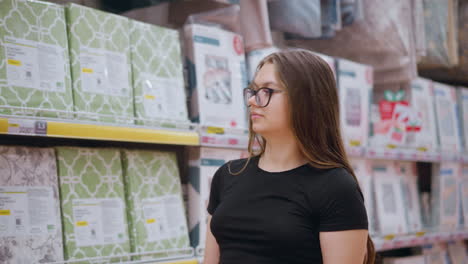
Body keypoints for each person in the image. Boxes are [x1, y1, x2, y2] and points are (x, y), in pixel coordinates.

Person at [204, 49, 375, 264]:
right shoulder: (227, 175)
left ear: (307, 99)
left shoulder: (336, 187)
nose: (253, 101)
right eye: (253, 91)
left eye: (267, 91)